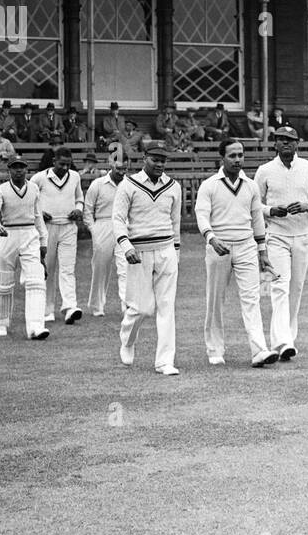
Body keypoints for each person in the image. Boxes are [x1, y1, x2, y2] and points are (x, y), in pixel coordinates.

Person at [195, 138, 280, 368]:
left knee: (251, 299)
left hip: (246, 247)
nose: (237, 160)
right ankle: (215, 349)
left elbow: (257, 219)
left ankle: (259, 350)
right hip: (218, 248)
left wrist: (262, 252)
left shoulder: (251, 186)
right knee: (215, 300)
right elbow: (201, 215)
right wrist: (211, 238)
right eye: (232, 155)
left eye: (240, 155)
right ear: (221, 157)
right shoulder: (209, 185)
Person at [254, 126, 308, 360]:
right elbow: (253, 204)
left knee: (295, 289)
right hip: (276, 236)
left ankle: (288, 339)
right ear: (274, 144)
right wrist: (270, 210)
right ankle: (282, 341)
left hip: (303, 235)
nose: (285, 144)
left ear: (297, 143)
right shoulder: (265, 170)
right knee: (280, 287)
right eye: (280, 140)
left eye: (290, 140)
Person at [113, 144, 183, 374]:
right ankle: (128, 339)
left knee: (166, 307)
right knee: (141, 308)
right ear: (145, 158)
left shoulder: (173, 187)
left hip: (166, 251)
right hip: (138, 253)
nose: (159, 165)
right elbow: (118, 219)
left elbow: (175, 223)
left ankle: (164, 361)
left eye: (163, 161)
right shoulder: (128, 185)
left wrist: (176, 253)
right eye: (155, 160)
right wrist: (126, 245)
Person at [0, 157, 50, 340]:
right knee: (3, 282)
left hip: (30, 235)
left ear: (26, 170)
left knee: (36, 280)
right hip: (8, 235)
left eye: (22, 167)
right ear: (9, 171)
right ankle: (0, 322)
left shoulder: (34, 189)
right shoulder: (1, 190)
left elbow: (38, 216)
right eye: (15, 168)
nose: (19, 171)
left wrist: (43, 241)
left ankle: (36, 327)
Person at [33, 146, 86, 325]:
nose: (65, 168)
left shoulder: (75, 177)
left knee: (68, 269)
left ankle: (70, 307)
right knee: (47, 270)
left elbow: (80, 198)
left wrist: (78, 210)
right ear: (54, 161)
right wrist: (40, 213)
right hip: (47, 229)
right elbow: (30, 201)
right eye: (62, 164)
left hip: (69, 227)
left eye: (68, 164)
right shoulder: (39, 178)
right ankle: (47, 309)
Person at [84, 155, 127, 317]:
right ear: (111, 165)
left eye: (125, 169)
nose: (122, 172)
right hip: (102, 225)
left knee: (125, 268)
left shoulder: (129, 184)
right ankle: (97, 306)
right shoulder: (98, 184)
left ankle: (126, 305)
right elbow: (88, 209)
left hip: (123, 226)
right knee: (100, 268)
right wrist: (93, 229)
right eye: (119, 168)